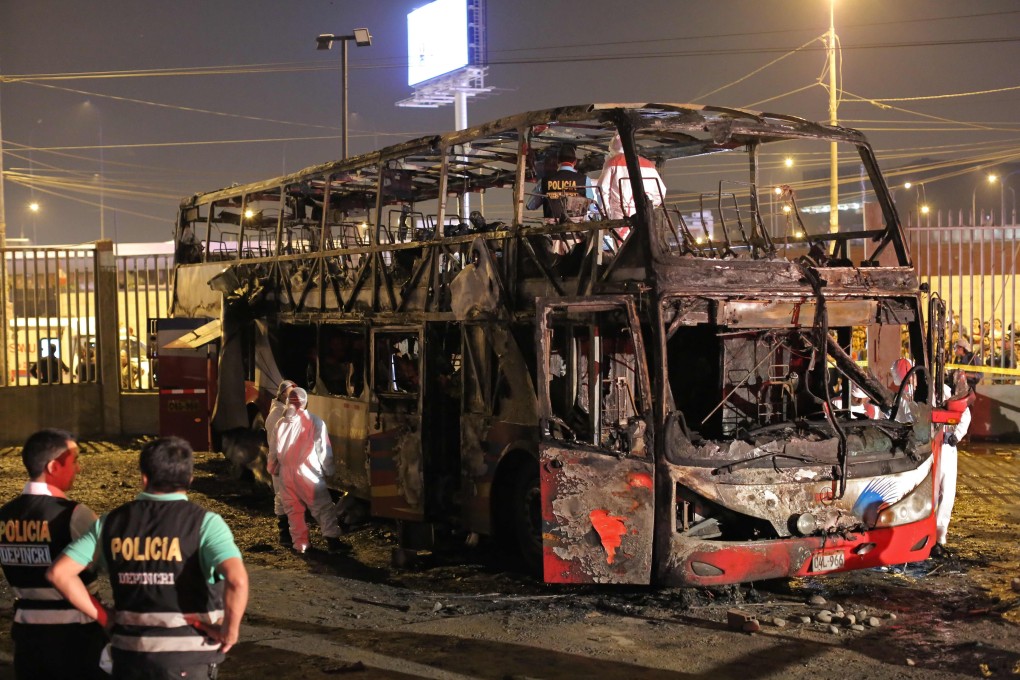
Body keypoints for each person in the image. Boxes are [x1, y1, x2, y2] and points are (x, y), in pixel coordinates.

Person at [47, 437, 249, 680]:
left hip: (130, 656)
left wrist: (105, 617)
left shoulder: (110, 523)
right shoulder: (206, 524)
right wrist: (230, 631)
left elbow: (59, 573)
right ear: (190, 479)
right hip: (189, 657)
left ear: (144, 477)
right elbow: (237, 580)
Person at [0, 429, 108, 680]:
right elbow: (103, 564)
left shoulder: (5, 515)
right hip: (76, 637)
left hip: (27, 637)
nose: (78, 469)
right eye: (74, 461)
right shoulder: (74, 515)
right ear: (53, 467)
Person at [268, 387, 346, 554]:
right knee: (322, 507)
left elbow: (273, 451)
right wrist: (329, 470)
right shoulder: (315, 421)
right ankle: (333, 542)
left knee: (293, 511)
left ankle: (301, 545)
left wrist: (273, 469)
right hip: (309, 472)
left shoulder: (280, 424)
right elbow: (323, 450)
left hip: (286, 475)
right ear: (306, 402)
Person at [934, 380, 972, 557]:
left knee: (946, 491)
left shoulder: (946, 395)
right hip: (929, 446)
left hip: (946, 445)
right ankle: (926, 532)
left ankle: (940, 535)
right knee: (930, 492)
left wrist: (956, 435)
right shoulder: (919, 396)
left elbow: (965, 414)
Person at [596, 134, 666, 223]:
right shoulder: (649, 164)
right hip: (644, 213)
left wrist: (604, 212)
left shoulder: (613, 162)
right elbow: (661, 191)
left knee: (623, 236)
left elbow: (602, 189)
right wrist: (650, 206)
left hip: (621, 212)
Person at [526, 144, 595, 223]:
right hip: (576, 226)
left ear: (557, 161)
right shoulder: (585, 180)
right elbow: (592, 207)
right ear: (575, 162)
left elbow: (530, 206)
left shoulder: (545, 180)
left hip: (552, 227)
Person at [266, 380, 297, 548]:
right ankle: (284, 533)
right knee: (283, 498)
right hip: (281, 464)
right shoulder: (276, 416)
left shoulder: (282, 413)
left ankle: (290, 534)